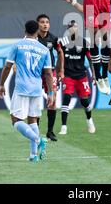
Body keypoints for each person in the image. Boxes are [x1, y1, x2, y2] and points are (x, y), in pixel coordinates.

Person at [0, 20, 54, 162]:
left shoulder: (17, 45)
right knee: (33, 120)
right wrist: (51, 93)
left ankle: (37, 139)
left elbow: (8, 67)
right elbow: (48, 73)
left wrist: (1, 84)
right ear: (37, 32)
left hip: (22, 87)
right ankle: (33, 155)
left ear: (25, 30)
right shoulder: (44, 49)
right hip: (36, 88)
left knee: (16, 120)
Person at [58, 20, 96, 135]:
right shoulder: (63, 42)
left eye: (75, 27)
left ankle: (89, 120)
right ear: (68, 29)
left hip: (81, 76)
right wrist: (60, 72)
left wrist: (94, 75)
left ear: (78, 28)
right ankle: (64, 127)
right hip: (68, 75)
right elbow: (60, 58)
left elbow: (90, 59)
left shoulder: (84, 42)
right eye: (71, 27)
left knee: (84, 101)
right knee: (67, 98)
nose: (73, 29)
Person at [36, 14, 64, 142]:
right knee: (35, 102)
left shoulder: (53, 38)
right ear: (38, 24)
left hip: (50, 72)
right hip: (35, 72)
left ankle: (50, 131)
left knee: (52, 102)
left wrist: (60, 70)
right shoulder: (32, 38)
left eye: (47, 22)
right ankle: (35, 130)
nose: (45, 24)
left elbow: (60, 52)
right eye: (42, 22)